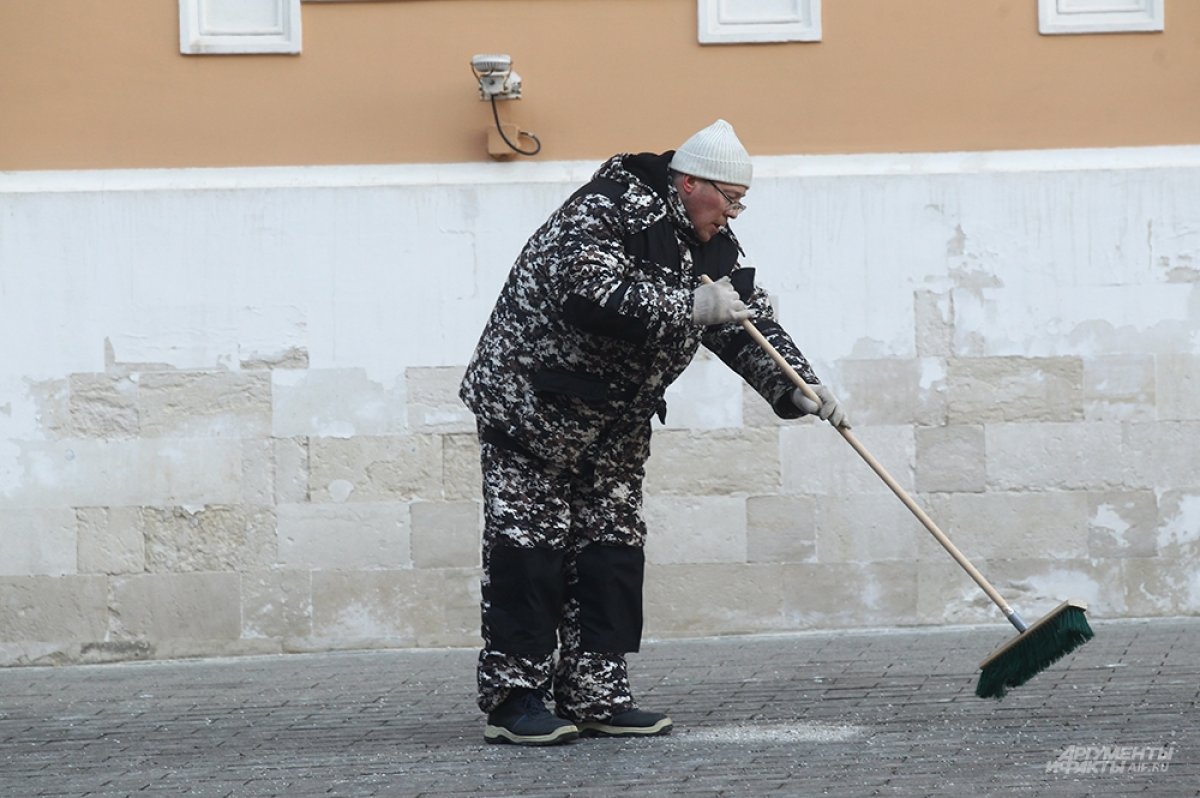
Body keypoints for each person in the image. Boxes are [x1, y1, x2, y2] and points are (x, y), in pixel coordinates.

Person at [459, 119, 848, 746]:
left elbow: (741, 324)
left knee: (611, 553)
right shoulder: (605, 208)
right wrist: (690, 306)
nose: (734, 213)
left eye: (741, 202)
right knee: (530, 553)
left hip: (612, 424)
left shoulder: (709, 242)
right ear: (689, 182)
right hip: (532, 409)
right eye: (729, 198)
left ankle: (596, 693)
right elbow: (590, 293)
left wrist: (796, 386)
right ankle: (516, 700)